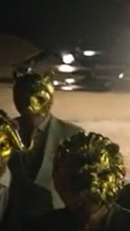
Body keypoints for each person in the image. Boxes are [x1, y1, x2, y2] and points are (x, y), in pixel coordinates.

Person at [8, 72, 80, 208]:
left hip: (56, 215)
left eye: (36, 97)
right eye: (21, 96)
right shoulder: (4, 131)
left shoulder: (72, 135)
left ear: (50, 100)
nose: (28, 102)